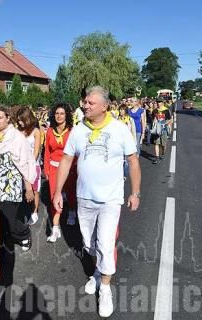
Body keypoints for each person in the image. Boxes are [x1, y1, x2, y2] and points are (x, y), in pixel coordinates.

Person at [53, 86, 141, 318]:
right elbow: (66, 160)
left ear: (105, 106)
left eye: (91, 102)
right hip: (84, 198)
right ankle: (95, 273)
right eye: (85, 102)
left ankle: (105, 287)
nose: (85, 105)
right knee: (89, 244)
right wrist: (57, 192)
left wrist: (135, 192)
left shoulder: (120, 130)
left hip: (111, 199)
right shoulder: (79, 130)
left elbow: (132, 162)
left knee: (105, 243)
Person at [0, 105, 36, 252]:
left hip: (10, 184)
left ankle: (23, 234)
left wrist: (29, 188)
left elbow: (24, 163)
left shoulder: (16, 137)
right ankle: (3, 242)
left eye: (0, 117)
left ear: (8, 119)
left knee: (10, 218)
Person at [44, 103, 77, 243]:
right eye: (57, 113)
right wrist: (46, 169)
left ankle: (71, 211)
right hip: (53, 168)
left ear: (67, 115)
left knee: (70, 193)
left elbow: (76, 152)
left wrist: (75, 167)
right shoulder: (50, 131)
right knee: (54, 197)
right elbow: (47, 152)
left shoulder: (72, 131)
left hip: (69, 168)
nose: (59, 116)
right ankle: (55, 229)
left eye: (62, 113)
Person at [15, 106, 42, 226]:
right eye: (18, 120)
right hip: (20, 165)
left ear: (28, 118)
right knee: (22, 189)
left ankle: (34, 212)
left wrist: (30, 165)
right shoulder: (17, 131)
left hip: (33, 165)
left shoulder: (36, 131)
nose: (20, 122)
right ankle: (21, 211)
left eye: (22, 120)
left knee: (35, 190)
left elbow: (36, 151)